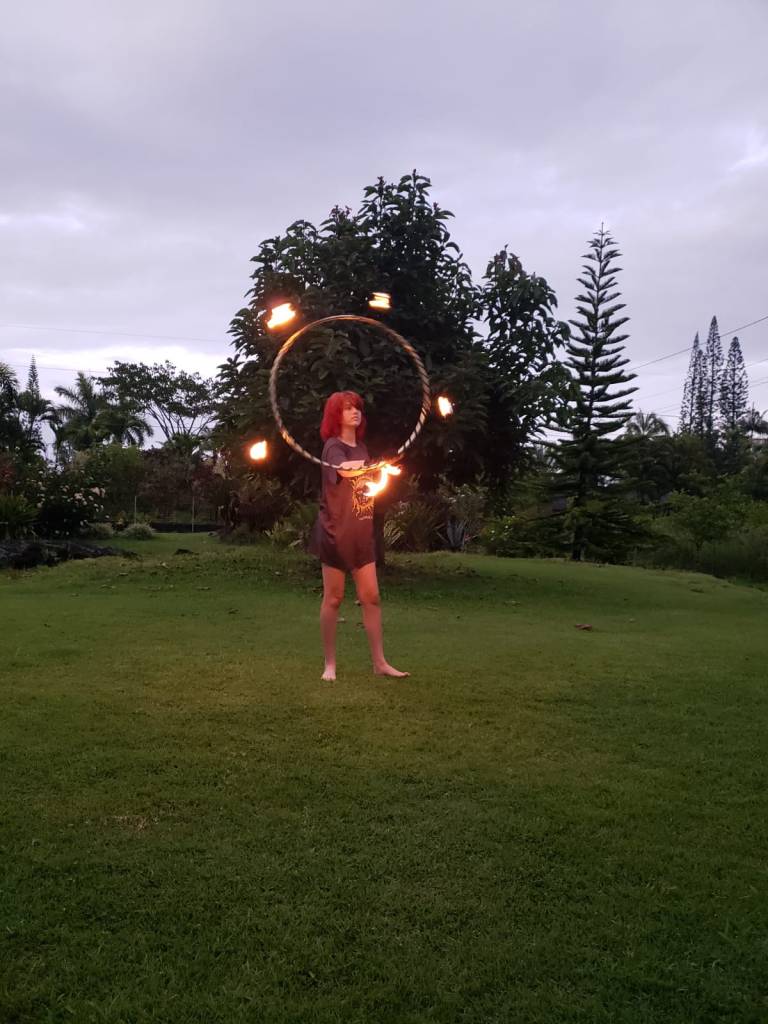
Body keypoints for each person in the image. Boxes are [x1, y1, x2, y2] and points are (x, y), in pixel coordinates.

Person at [307, 391, 409, 682]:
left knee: (372, 597)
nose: (355, 412)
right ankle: (329, 665)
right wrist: (370, 467)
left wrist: (381, 471)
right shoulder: (332, 447)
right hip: (335, 533)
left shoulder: (362, 448)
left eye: (357, 408)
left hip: (362, 532)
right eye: (348, 408)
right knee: (334, 599)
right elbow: (347, 471)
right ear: (335, 415)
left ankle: (380, 663)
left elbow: (364, 480)